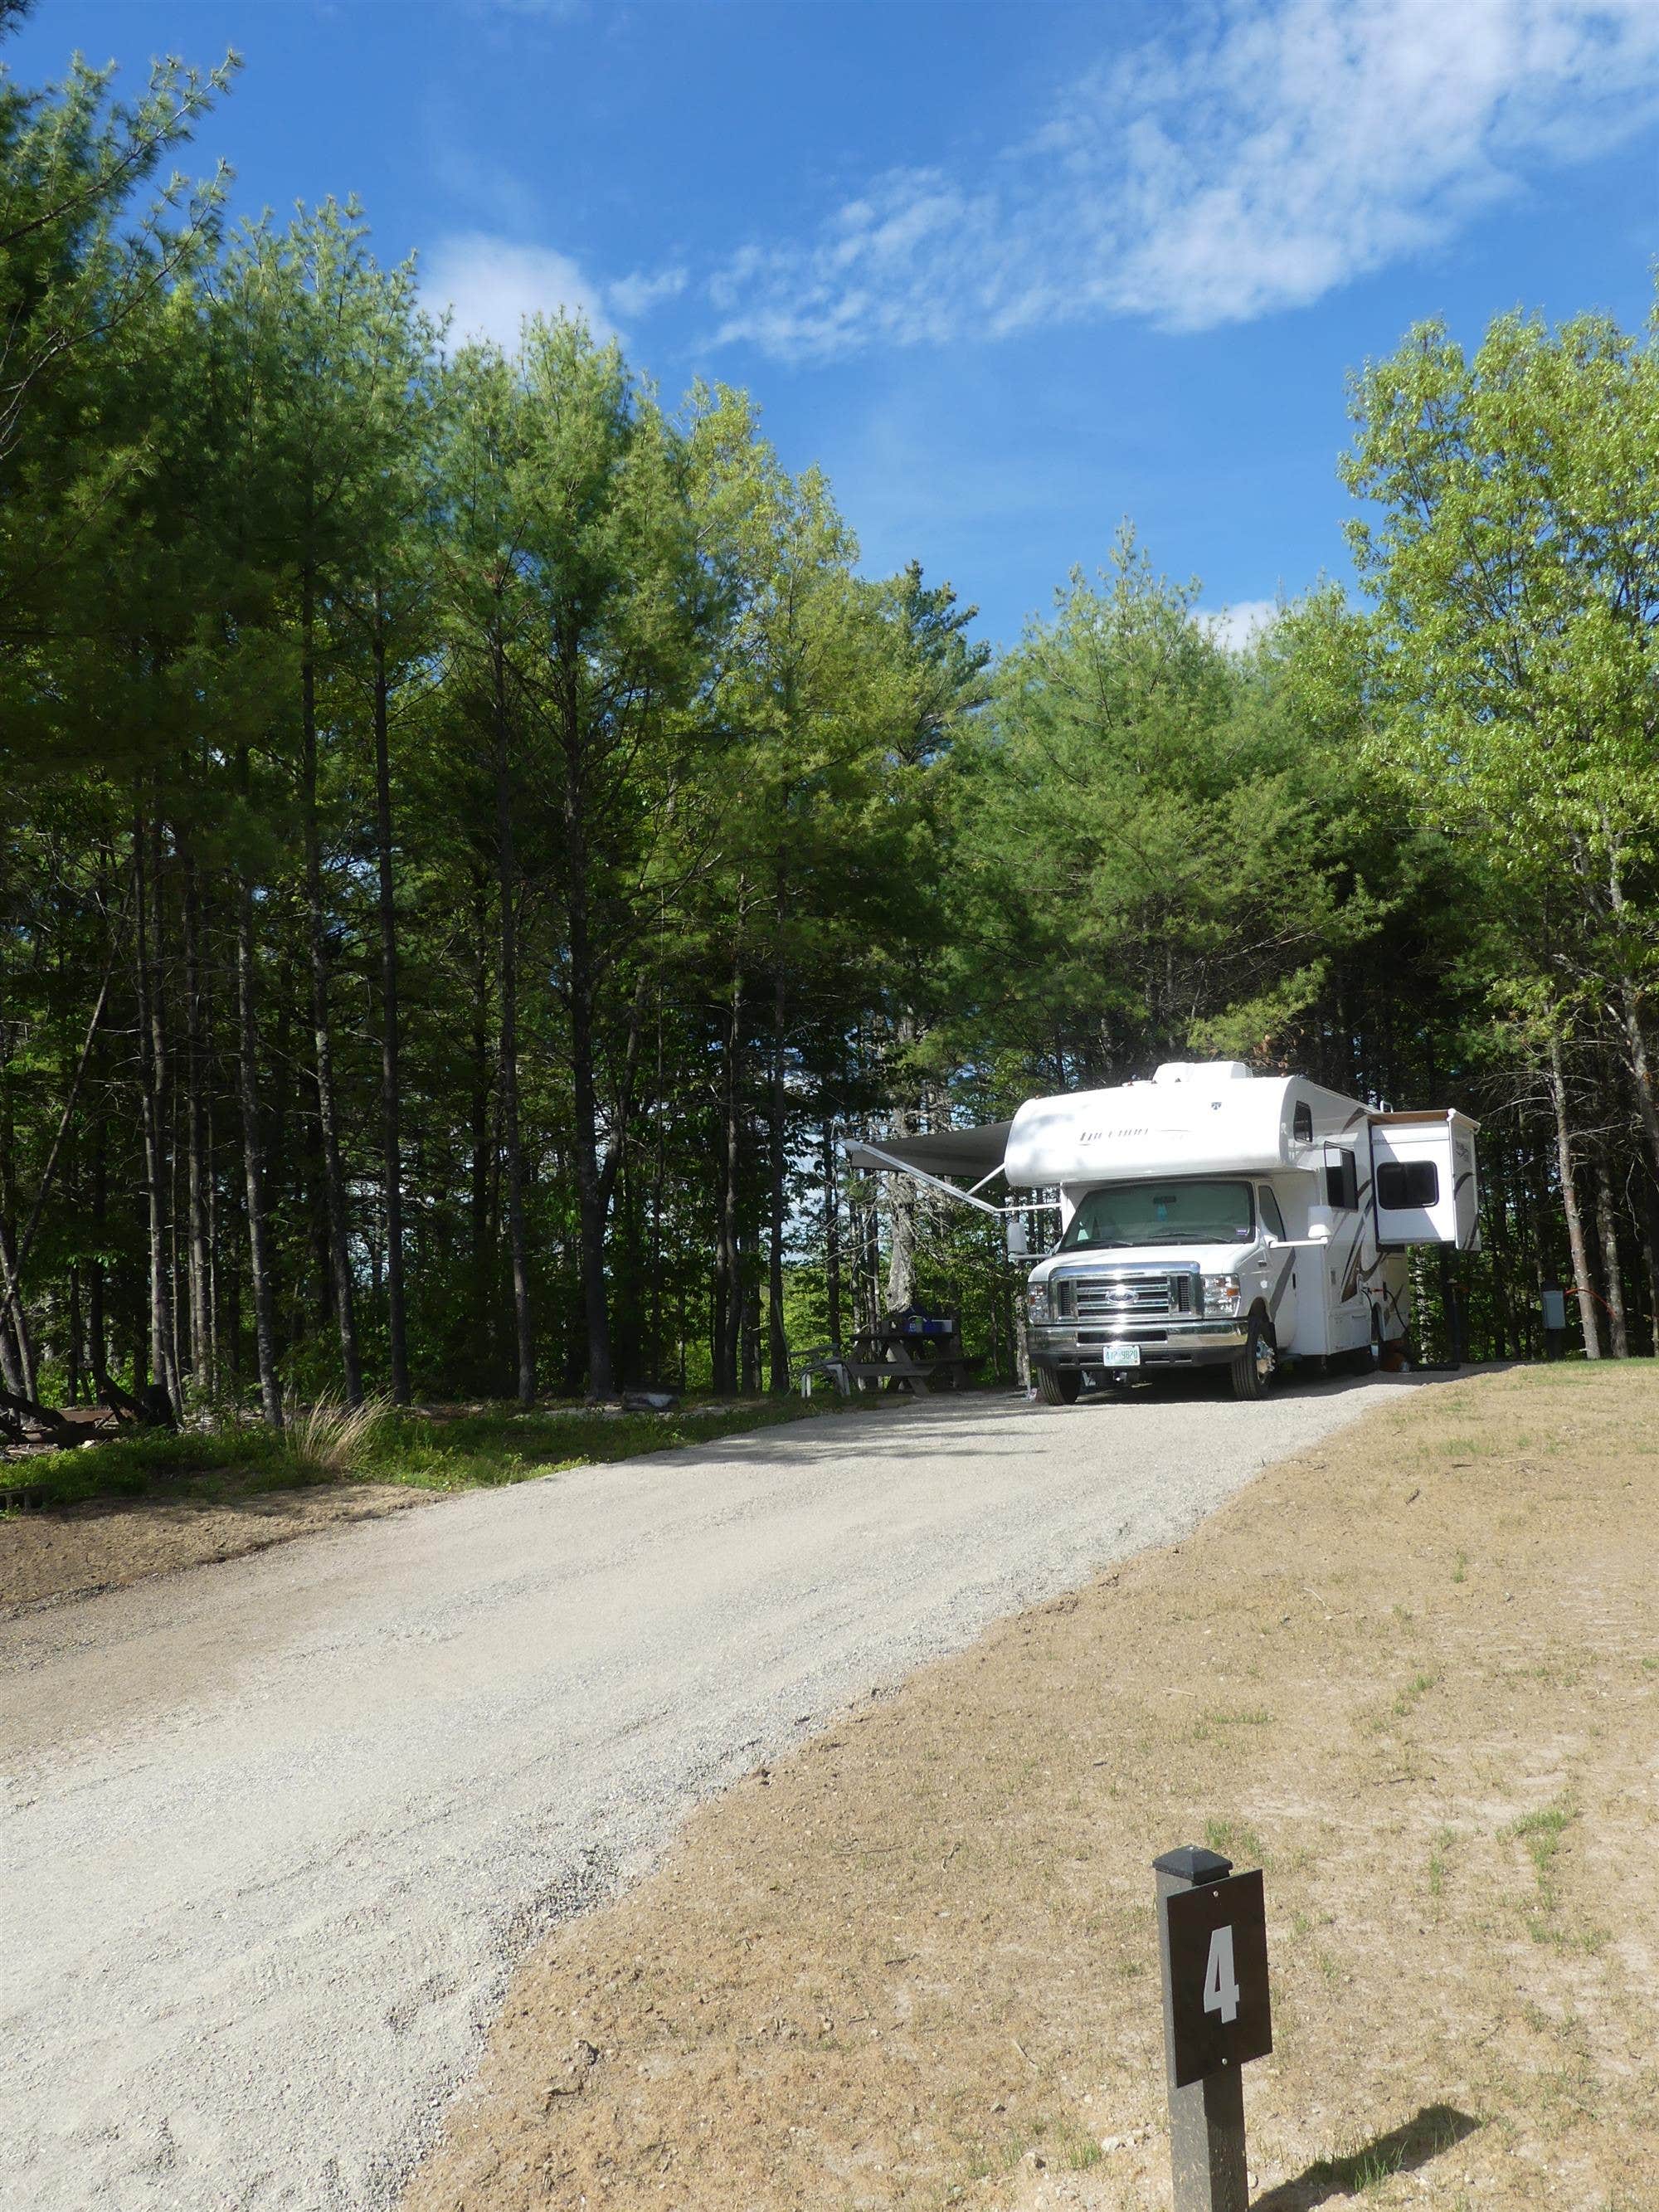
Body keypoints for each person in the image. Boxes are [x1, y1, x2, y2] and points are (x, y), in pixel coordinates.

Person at [1541, 1278, 1566, 1361]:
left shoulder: (1550, 1296)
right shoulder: (1553, 1296)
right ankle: (1555, 1357)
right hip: (1555, 1322)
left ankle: (1555, 1357)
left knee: (1554, 1337)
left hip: (1555, 1322)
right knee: (1554, 1337)